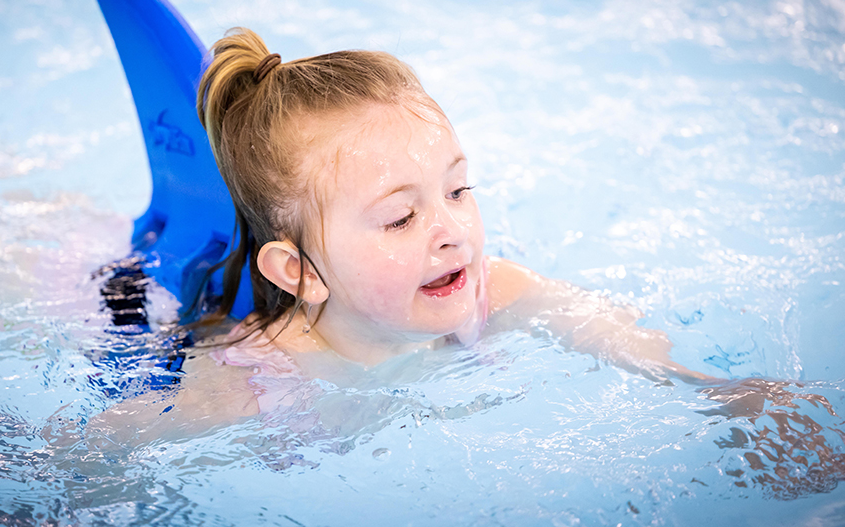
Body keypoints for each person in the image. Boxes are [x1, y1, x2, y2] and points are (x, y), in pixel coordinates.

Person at [86, 28, 719, 445]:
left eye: (458, 190)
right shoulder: (253, 382)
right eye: (399, 218)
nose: (450, 233)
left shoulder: (492, 291)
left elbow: (622, 339)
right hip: (125, 296)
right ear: (301, 272)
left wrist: (725, 397)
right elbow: (102, 447)